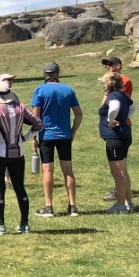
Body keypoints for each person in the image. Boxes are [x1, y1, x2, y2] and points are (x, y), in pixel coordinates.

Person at [0, 80, 42, 234]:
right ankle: (24, 224)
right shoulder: (20, 107)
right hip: (18, 151)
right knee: (20, 187)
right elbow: (38, 124)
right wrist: (25, 138)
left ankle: (0, 225)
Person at [30, 62, 83, 217]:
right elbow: (79, 114)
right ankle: (73, 206)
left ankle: (49, 207)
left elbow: (35, 117)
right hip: (64, 135)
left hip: (46, 136)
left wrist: (33, 137)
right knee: (68, 170)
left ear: (44, 75)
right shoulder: (68, 90)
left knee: (47, 170)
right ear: (58, 74)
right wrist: (73, 131)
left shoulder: (39, 90)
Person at [98, 72, 137, 213]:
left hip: (115, 138)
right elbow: (133, 107)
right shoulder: (122, 95)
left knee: (117, 172)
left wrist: (109, 121)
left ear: (108, 83)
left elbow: (113, 107)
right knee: (123, 171)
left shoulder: (113, 96)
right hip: (125, 135)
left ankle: (120, 205)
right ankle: (128, 202)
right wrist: (125, 116)